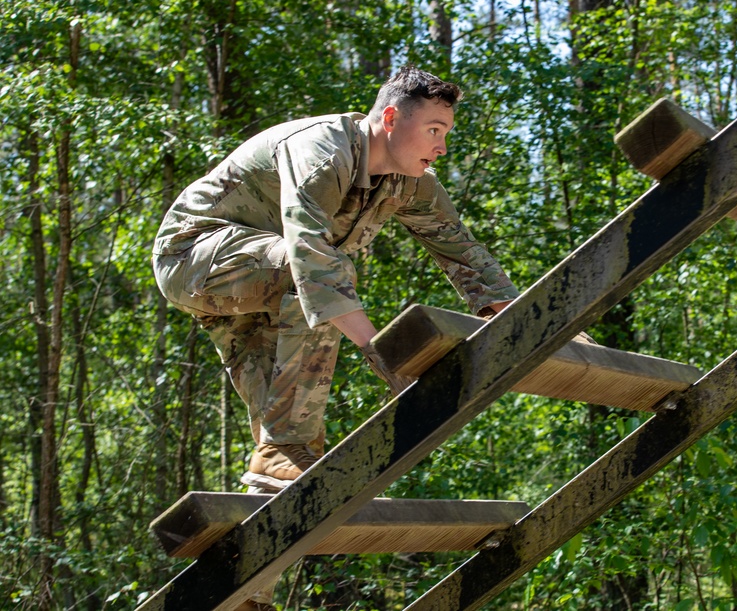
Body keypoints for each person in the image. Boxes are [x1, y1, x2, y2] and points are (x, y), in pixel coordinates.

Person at [152, 66, 519, 496]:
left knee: (290, 463)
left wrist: (529, 320)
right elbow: (314, 264)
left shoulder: (410, 181)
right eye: (434, 130)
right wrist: (387, 357)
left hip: (266, 283)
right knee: (326, 274)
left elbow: (465, 255)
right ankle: (285, 447)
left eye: (446, 133)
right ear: (390, 119)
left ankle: (273, 486)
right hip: (194, 257)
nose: (441, 148)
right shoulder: (323, 153)